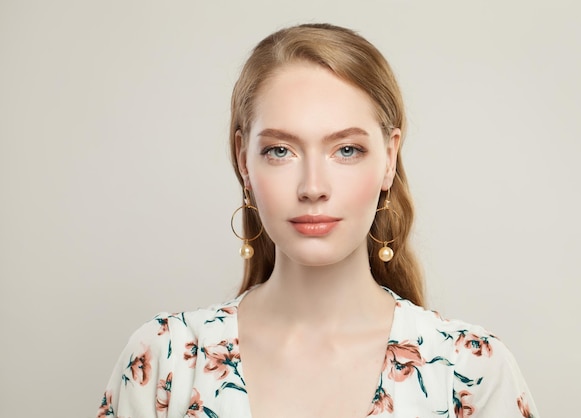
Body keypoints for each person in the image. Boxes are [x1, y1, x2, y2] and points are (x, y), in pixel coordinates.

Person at [97, 23, 539, 418]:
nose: (312, 186)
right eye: (280, 150)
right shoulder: (164, 360)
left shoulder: (470, 370)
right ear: (243, 161)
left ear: (389, 159)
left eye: (346, 150)